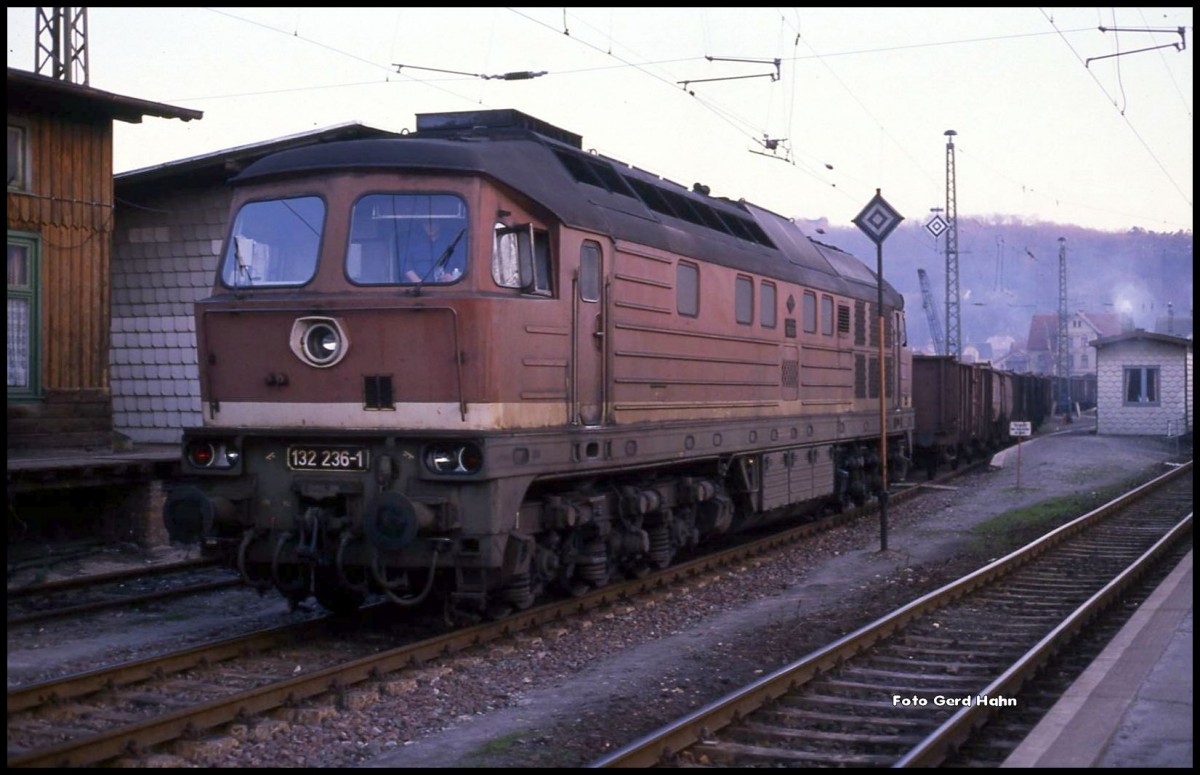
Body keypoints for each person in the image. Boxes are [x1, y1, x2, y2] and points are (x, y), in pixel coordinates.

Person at [404, 218, 464, 284]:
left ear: (439, 223)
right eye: (426, 224)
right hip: (420, 288)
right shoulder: (414, 243)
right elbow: (406, 266)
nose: (430, 227)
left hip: (448, 286)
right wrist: (417, 281)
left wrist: (453, 277)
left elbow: (462, 264)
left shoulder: (453, 242)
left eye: (433, 223)